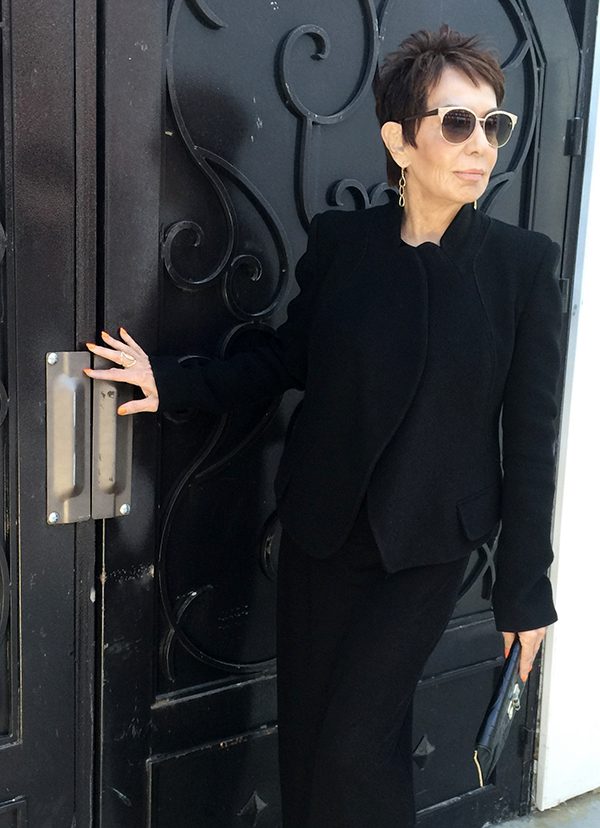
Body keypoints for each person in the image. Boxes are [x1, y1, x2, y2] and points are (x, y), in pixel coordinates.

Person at [84, 24, 564, 828]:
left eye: (494, 123)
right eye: (457, 121)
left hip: (426, 548)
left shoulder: (521, 267)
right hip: (322, 534)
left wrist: (526, 590)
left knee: (354, 745)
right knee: (310, 742)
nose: (481, 143)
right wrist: (169, 384)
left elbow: (534, 438)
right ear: (399, 141)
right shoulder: (346, 247)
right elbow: (283, 359)